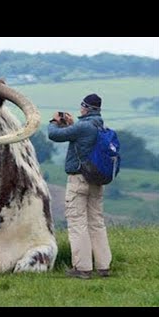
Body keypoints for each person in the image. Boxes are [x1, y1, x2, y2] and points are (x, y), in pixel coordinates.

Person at [48, 94, 112, 280]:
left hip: (79, 180)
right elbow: (80, 137)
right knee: (96, 222)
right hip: (97, 180)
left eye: (82, 106)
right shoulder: (100, 125)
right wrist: (71, 124)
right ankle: (103, 266)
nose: (80, 109)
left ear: (86, 108)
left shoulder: (84, 126)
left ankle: (82, 268)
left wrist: (54, 121)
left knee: (77, 223)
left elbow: (54, 135)